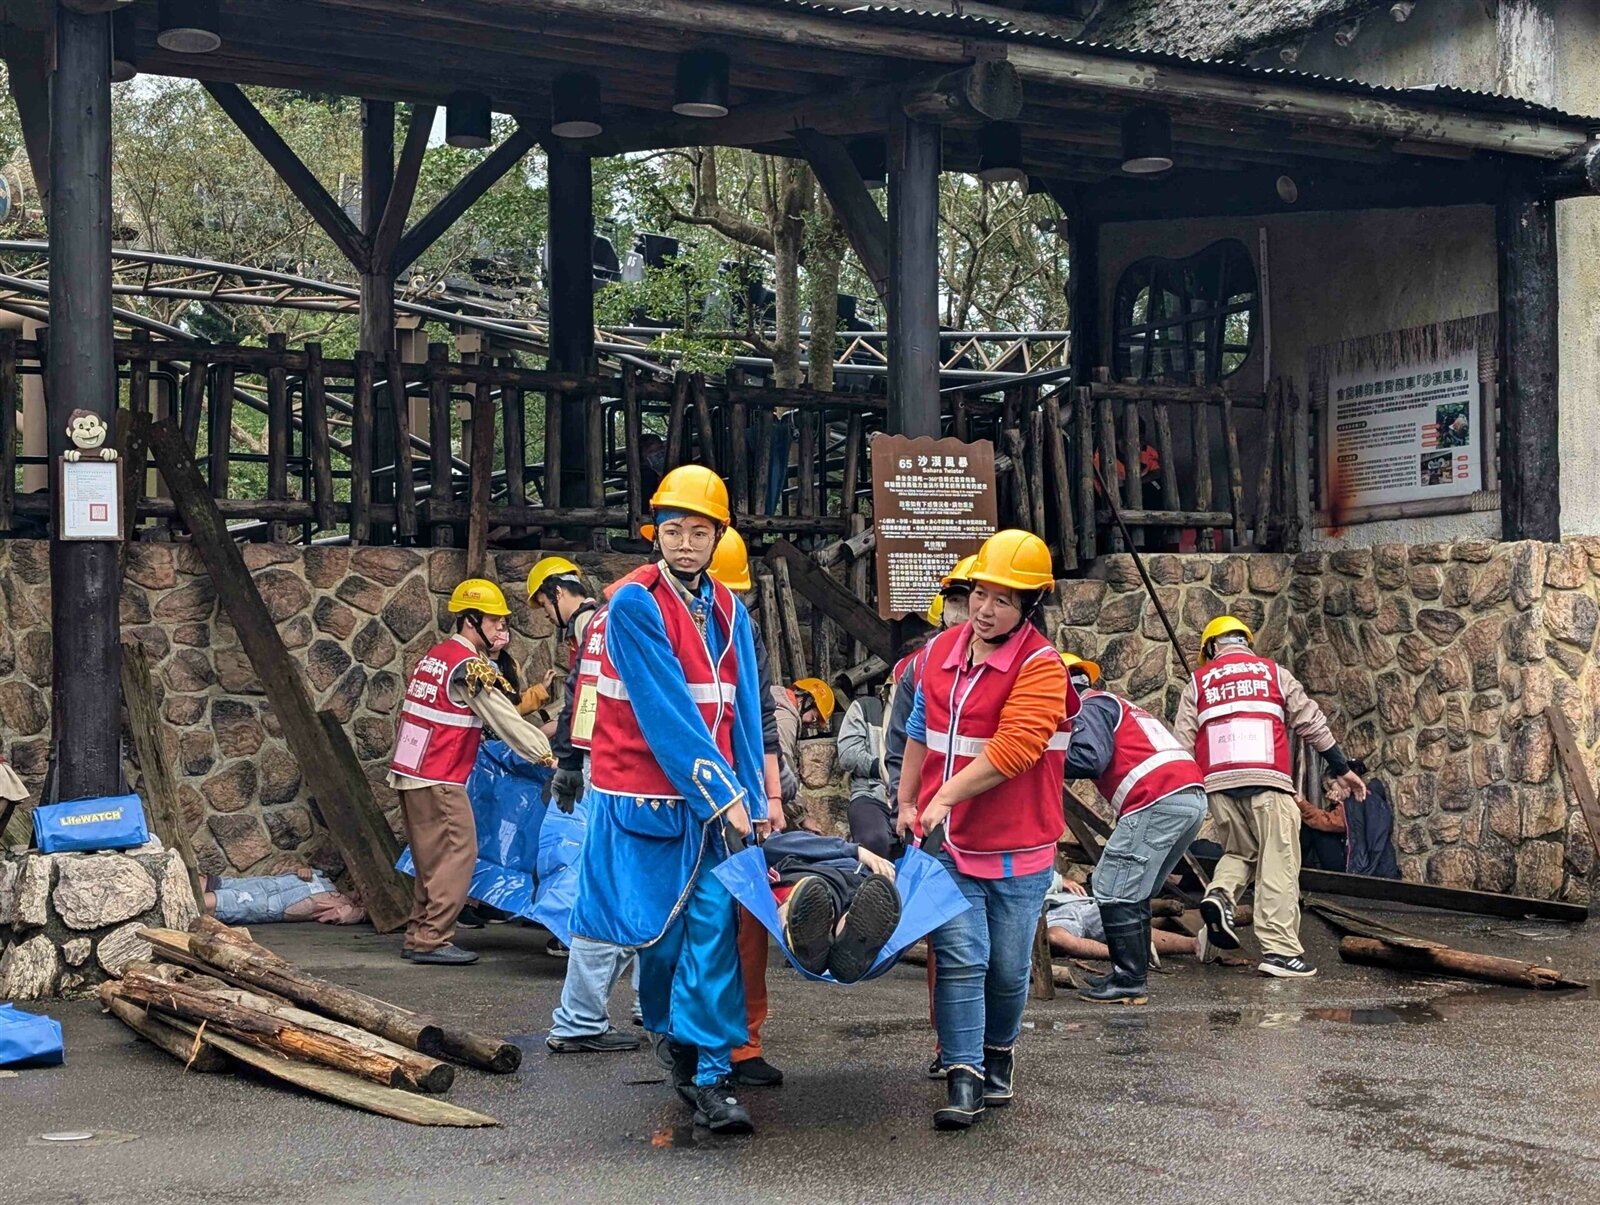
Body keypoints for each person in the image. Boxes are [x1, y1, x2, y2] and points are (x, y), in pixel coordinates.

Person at [568, 465, 766, 1135]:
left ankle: (713, 1076)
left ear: (718, 537)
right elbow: (666, 713)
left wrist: (755, 796)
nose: (685, 542)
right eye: (674, 529)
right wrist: (725, 794)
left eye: (699, 530)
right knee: (657, 941)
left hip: (711, 811)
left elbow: (741, 712)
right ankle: (670, 1034)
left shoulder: (732, 609)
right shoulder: (633, 604)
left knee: (713, 936)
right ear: (655, 532)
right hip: (650, 805)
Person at [896, 529, 1070, 1130]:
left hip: (1020, 845)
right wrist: (907, 800)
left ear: (1030, 607)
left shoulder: (1042, 667)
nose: (985, 609)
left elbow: (1018, 747)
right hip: (948, 843)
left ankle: (999, 1058)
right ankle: (963, 1075)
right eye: (980, 594)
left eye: (1003, 600)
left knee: (1006, 968)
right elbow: (919, 724)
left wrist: (942, 795)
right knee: (962, 955)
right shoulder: (939, 652)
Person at [1174, 615, 1367, 980]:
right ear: (1245, 642)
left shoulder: (1197, 684)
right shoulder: (1272, 673)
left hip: (1219, 787)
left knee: (1239, 853)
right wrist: (1341, 768)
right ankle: (1280, 951)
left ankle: (1220, 894)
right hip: (1269, 784)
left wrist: (1188, 792)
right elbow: (1311, 722)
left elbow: (1182, 743)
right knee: (1279, 862)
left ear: (1212, 647)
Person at [386, 579, 554, 965]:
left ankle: (419, 932)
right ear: (471, 621)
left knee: (429, 855)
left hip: (411, 770)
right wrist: (547, 757)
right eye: (494, 622)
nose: (501, 630)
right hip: (440, 774)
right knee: (459, 853)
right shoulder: (470, 668)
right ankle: (433, 938)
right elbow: (506, 721)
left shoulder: (436, 656)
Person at [525, 556, 642, 1055]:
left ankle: (634, 1004)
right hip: (620, 773)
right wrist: (572, 760)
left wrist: (571, 759)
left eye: (542, 605)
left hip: (608, 769)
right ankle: (589, 1017)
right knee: (620, 888)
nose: (543, 615)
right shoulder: (604, 625)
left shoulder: (594, 626)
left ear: (556, 593)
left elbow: (583, 698)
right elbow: (585, 698)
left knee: (623, 887)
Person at [1058, 652, 1208, 1004]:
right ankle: (1131, 976)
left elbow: (1089, 757)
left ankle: (1129, 979)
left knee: (1113, 886)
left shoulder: (1087, 707)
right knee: (1133, 889)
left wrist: (1034, 754)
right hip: (1186, 796)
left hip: (1158, 797)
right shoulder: (1115, 705)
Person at [706, 526, 789, 1090]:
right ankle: (698, 1041)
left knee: (748, 922)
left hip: (741, 797)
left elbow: (758, 714)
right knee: (700, 928)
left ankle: (744, 1042)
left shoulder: (742, 628)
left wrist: (770, 796)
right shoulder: (652, 617)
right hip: (684, 798)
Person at [764, 831, 901, 983]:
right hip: (817, 876)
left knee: (860, 910)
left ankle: (844, 948)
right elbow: (771, 845)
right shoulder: (780, 842)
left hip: (864, 882)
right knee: (810, 895)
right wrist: (856, 850)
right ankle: (815, 941)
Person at [1043, 875, 1196, 962]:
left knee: (1123, 924)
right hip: (1049, 920)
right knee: (1055, 938)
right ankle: (1124, 953)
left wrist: (1060, 880)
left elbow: (1041, 871)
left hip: (1073, 903)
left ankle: (1197, 945)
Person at [837, 689, 892, 858]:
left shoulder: (927, 709)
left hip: (919, 799)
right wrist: (884, 768)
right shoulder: (864, 707)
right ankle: (874, 883)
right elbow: (847, 755)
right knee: (873, 839)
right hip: (872, 794)